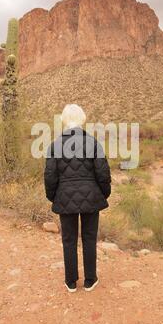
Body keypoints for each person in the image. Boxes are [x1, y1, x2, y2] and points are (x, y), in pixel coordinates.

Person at [44, 105, 111, 293]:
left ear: (64, 120)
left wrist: (54, 197)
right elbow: (103, 172)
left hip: (64, 198)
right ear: (82, 119)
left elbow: (50, 176)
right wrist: (103, 194)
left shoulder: (55, 145)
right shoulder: (92, 142)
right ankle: (90, 280)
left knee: (69, 240)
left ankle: (71, 282)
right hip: (91, 196)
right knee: (89, 238)